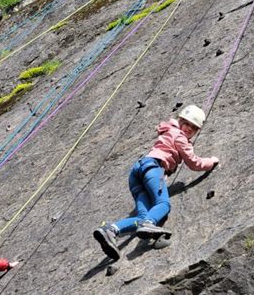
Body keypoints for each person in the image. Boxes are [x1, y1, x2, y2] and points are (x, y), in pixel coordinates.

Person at [93, 105, 219, 261]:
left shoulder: (168, 132)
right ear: (180, 121)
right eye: (187, 124)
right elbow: (193, 163)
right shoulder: (179, 136)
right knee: (163, 205)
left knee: (142, 217)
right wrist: (211, 162)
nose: (189, 129)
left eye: (194, 128)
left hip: (137, 173)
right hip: (153, 168)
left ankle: (111, 230)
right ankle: (149, 223)